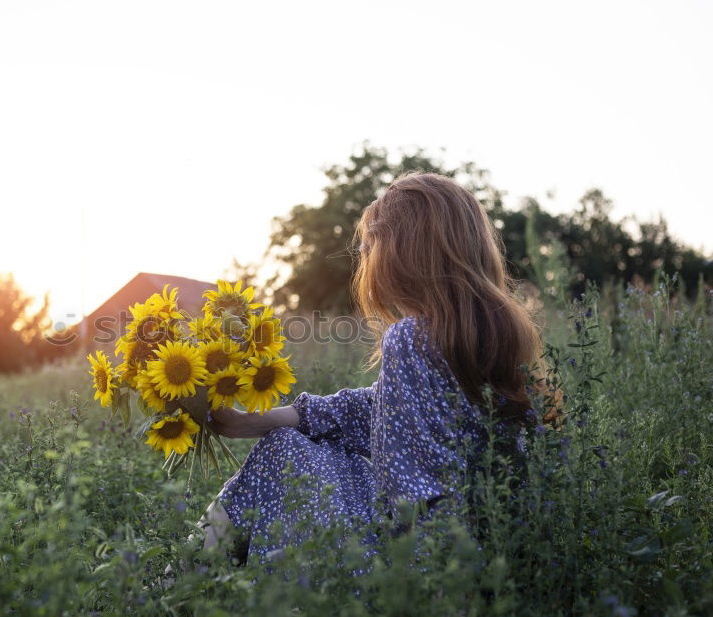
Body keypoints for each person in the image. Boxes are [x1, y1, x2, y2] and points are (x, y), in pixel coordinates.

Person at [200, 172, 557, 568]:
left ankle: (179, 589)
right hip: (484, 564)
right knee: (295, 442)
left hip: (410, 575)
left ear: (402, 254)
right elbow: (369, 410)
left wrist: (436, 606)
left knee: (283, 451)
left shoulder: (410, 339)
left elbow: (421, 494)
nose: (365, 263)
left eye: (369, 248)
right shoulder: (498, 339)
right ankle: (187, 581)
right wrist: (243, 422)